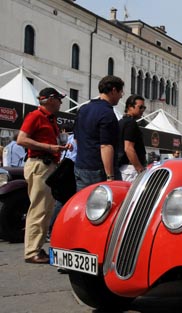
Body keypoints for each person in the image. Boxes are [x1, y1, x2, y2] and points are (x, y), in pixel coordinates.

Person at [17, 87, 70, 264]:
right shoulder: (35, 116)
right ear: (50, 100)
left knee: (45, 208)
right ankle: (32, 251)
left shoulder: (49, 119)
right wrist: (49, 147)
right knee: (39, 209)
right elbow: (21, 139)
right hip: (40, 164)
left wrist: (58, 147)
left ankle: (36, 248)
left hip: (47, 164)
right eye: (59, 99)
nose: (61, 103)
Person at [74, 75, 124, 190]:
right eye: (121, 92)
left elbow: (77, 139)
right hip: (99, 170)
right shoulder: (107, 113)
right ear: (113, 90)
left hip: (80, 166)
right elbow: (106, 146)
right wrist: (110, 176)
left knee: (83, 202)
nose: (121, 96)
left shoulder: (83, 109)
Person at [118, 95, 147, 182]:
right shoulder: (130, 123)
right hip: (130, 170)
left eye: (144, 107)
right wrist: (140, 169)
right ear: (130, 107)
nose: (142, 110)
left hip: (125, 168)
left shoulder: (122, 122)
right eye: (140, 107)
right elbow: (128, 148)